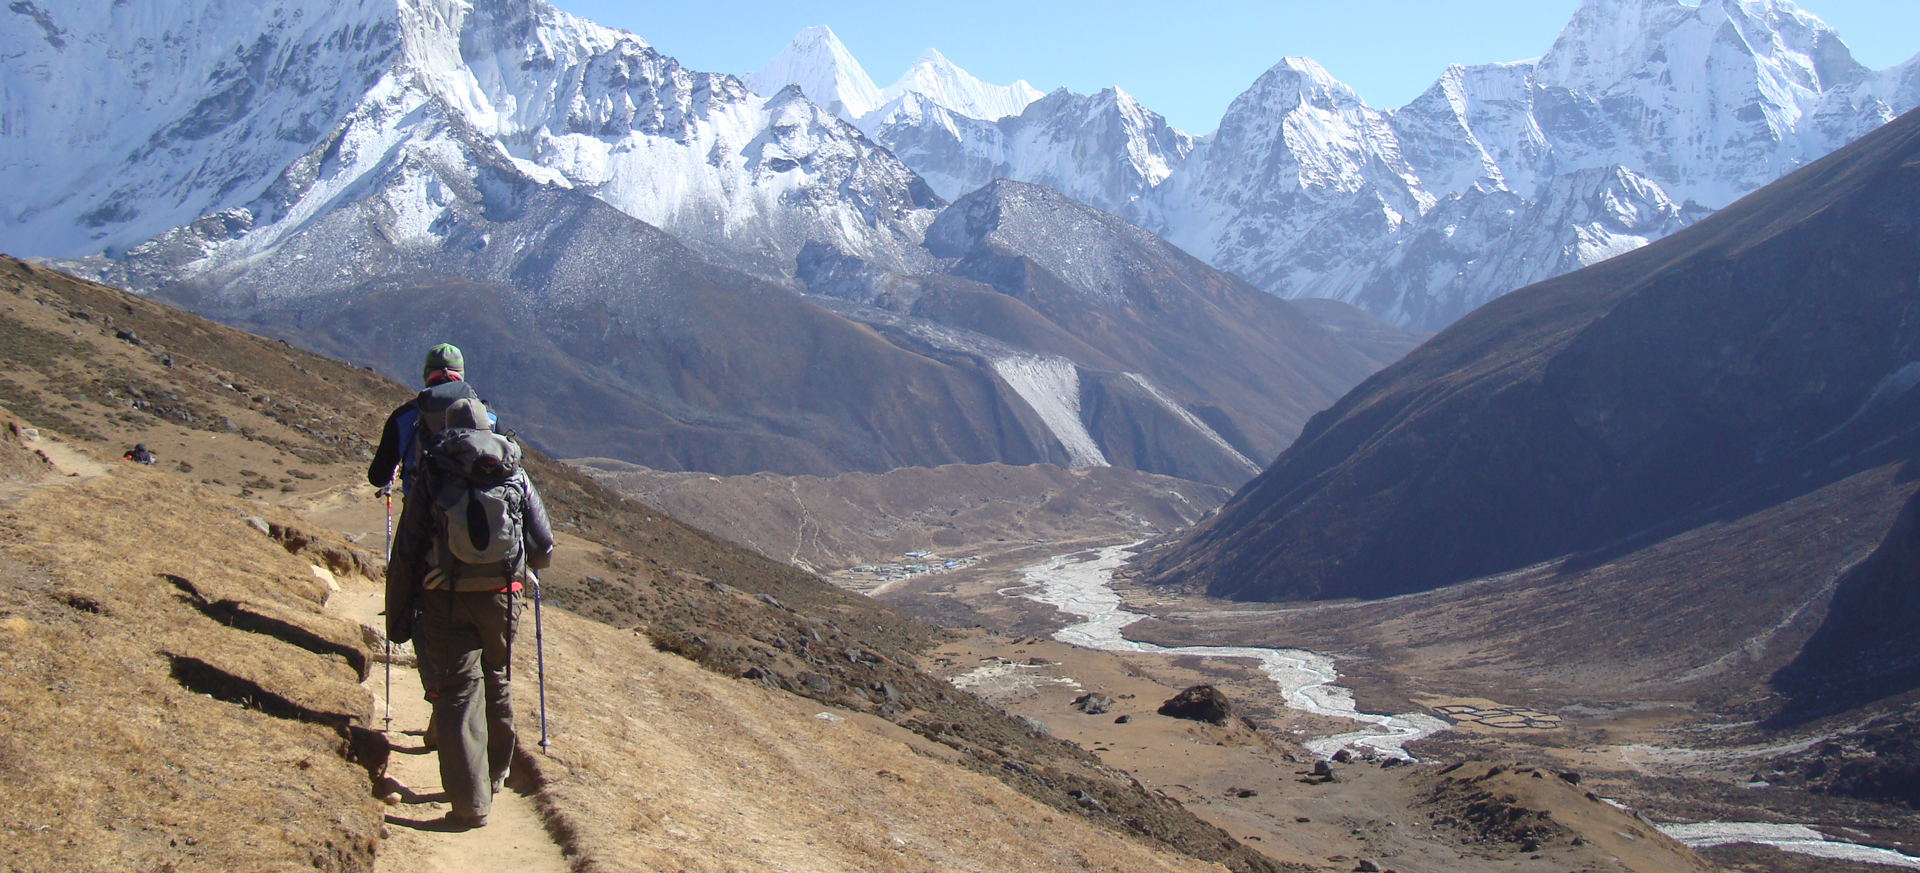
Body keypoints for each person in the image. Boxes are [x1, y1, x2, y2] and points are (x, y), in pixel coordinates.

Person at [385, 398, 553, 830]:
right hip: (502, 597)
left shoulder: (435, 469)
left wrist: (400, 617)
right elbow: (543, 545)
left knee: (458, 689)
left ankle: (469, 802)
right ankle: (497, 774)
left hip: (445, 596)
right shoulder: (514, 470)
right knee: (496, 677)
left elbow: (408, 548)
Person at [367, 343, 496, 497]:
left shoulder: (403, 417)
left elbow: (377, 478)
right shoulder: (487, 415)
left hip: (424, 514)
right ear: (461, 375)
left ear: (426, 374)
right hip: (480, 512)